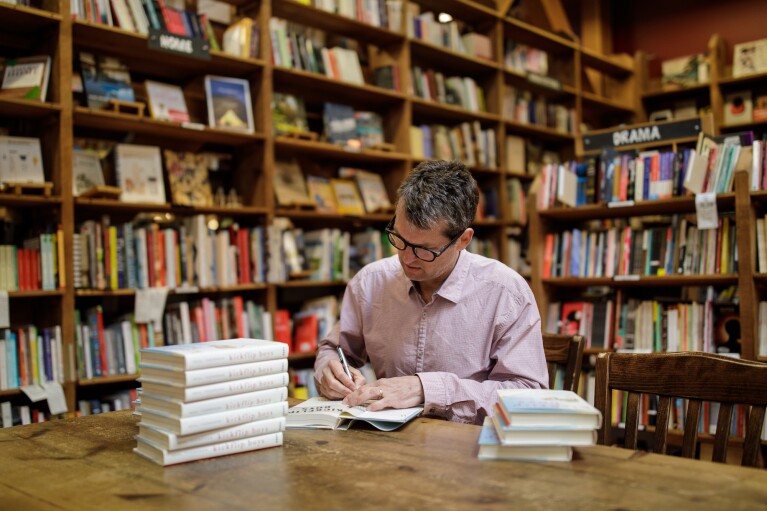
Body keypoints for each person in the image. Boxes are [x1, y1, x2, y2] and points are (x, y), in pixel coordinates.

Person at [314, 160, 548, 424]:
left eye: (424, 249)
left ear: (463, 239)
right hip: (385, 446)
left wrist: (428, 390)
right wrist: (329, 371)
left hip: (470, 451)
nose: (406, 258)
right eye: (399, 239)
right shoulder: (370, 282)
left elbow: (531, 396)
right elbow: (333, 350)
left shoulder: (506, 293)